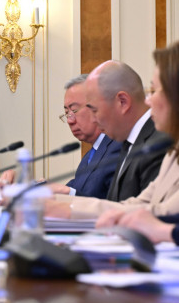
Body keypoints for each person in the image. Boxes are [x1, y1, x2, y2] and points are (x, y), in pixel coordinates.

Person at [47, 45, 179, 219]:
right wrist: (56, 203)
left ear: (122, 102)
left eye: (154, 91)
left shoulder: (160, 144)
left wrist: (64, 206)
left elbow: (161, 214)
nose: (148, 100)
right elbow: (135, 206)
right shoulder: (161, 150)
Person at [1, 74, 122, 198]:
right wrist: (22, 185)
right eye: (66, 113)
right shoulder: (89, 157)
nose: (69, 120)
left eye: (74, 110)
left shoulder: (119, 147)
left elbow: (117, 203)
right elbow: (74, 192)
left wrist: (65, 191)